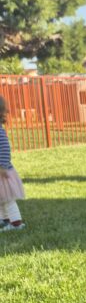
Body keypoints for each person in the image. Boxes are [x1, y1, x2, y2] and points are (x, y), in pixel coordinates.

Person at [0, 96, 26, 231]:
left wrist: (2, 166)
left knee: (8, 200)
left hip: (3, 173)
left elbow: (4, 150)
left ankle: (16, 223)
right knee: (1, 199)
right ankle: (5, 220)